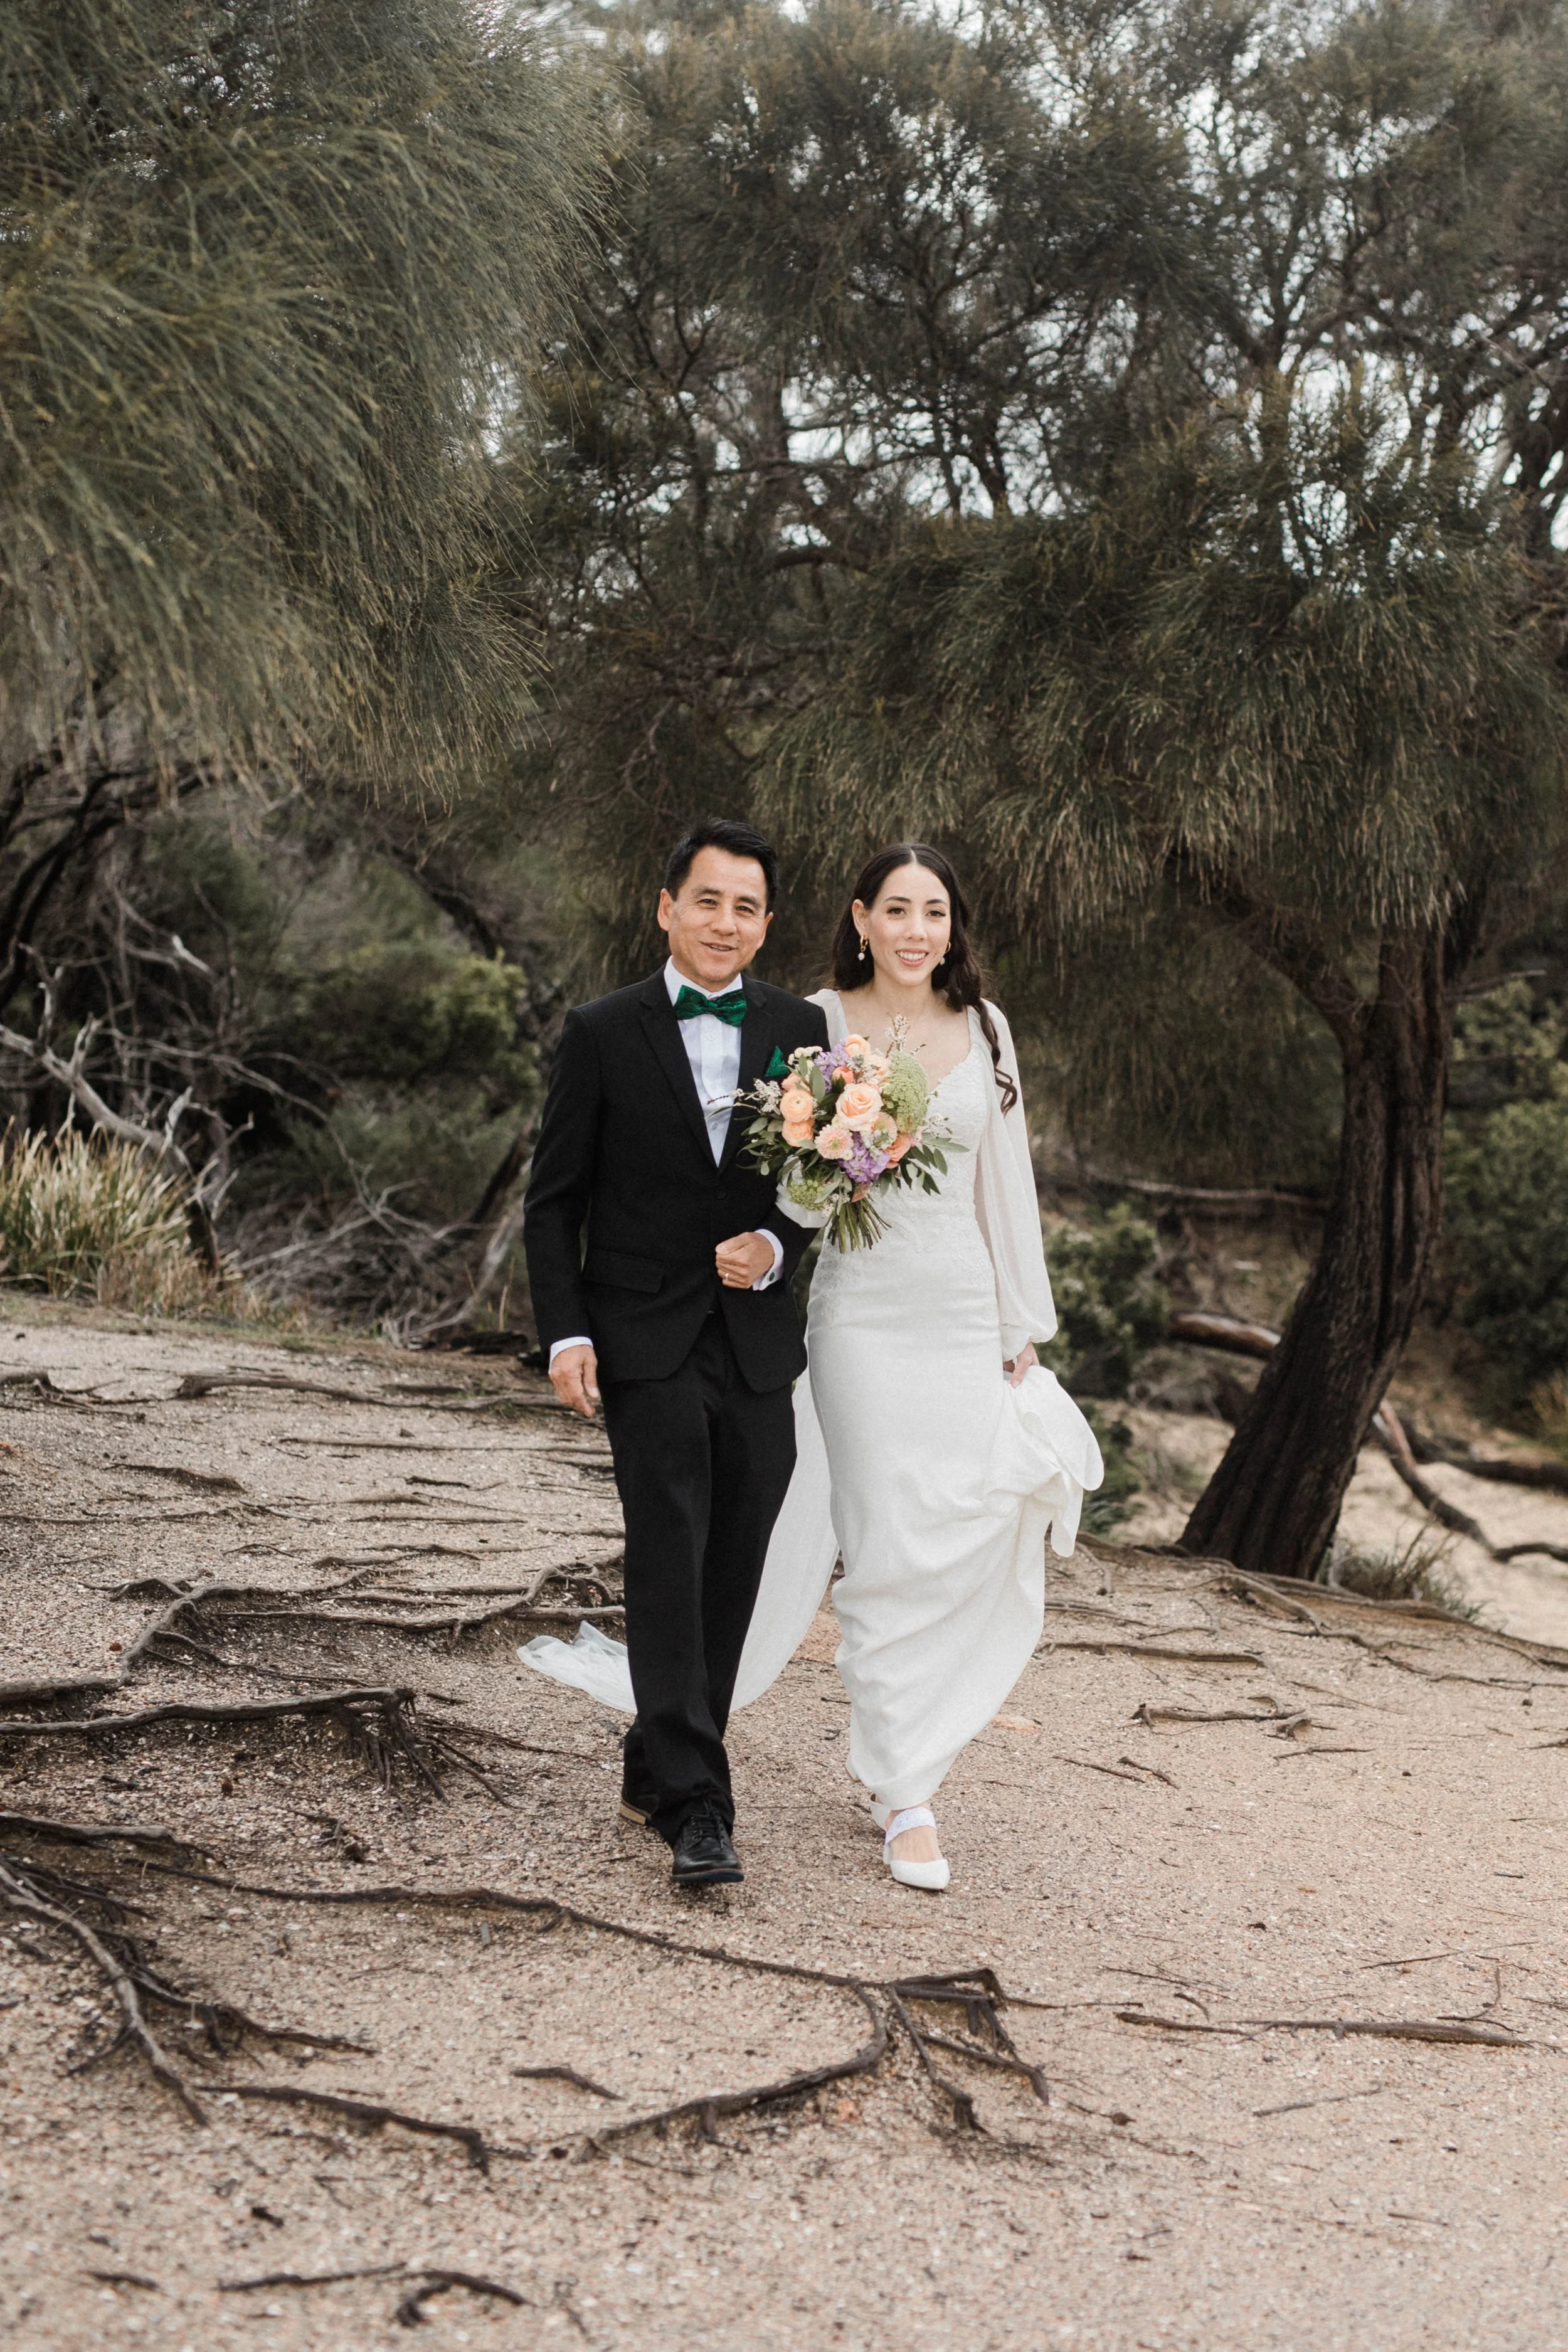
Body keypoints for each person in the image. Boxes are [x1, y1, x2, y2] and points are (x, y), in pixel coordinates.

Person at [520, 839, 1099, 1896]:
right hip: (831, 1321)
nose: (919, 930)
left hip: (940, 1309)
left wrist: (1021, 1320)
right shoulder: (807, 1024)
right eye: (899, 910)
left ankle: (668, 1751)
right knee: (844, 1544)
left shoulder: (938, 1027)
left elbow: (999, 1186)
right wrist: (572, 1329)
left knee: (887, 1529)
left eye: (937, 912)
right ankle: (831, 1792)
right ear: (860, 918)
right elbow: (745, 1184)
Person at [522, 817, 830, 1888]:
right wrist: (565, 1330)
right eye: (708, 900)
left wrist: (778, 1240)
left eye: (747, 907)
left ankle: (657, 1751)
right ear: (667, 906)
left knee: (735, 1559)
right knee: (668, 1547)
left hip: (754, 1343)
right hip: (642, 1334)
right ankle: (701, 1805)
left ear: (766, 923)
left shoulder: (800, 1030)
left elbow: (827, 1182)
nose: (725, 923)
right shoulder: (603, 1031)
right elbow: (553, 1202)